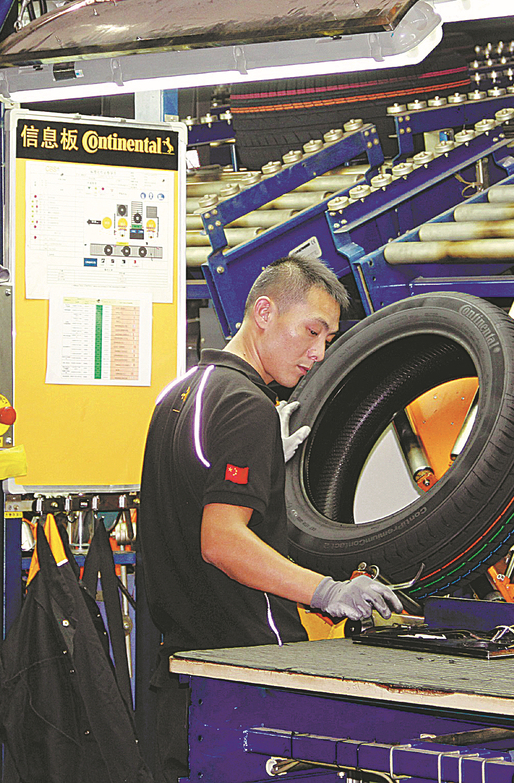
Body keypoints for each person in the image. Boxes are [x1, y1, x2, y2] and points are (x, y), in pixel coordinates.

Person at [136, 256, 402, 782]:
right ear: (263, 312)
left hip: (185, 671)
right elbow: (221, 541)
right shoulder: (247, 405)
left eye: (328, 339)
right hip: (252, 670)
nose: (318, 353)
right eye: (312, 331)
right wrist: (327, 591)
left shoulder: (180, 392)